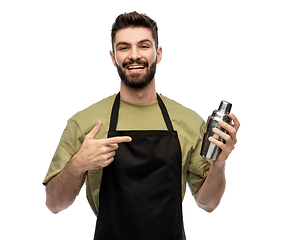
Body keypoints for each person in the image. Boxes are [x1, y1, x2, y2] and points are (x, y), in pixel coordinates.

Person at [43, 11, 240, 240]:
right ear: (113, 56)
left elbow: (208, 203)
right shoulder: (85, 122)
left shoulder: (188, 120)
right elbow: (54, 204)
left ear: (158, 53)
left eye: (144, 46)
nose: (134, 55)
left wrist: (219, 163)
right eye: (124, 47)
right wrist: (77, 164)